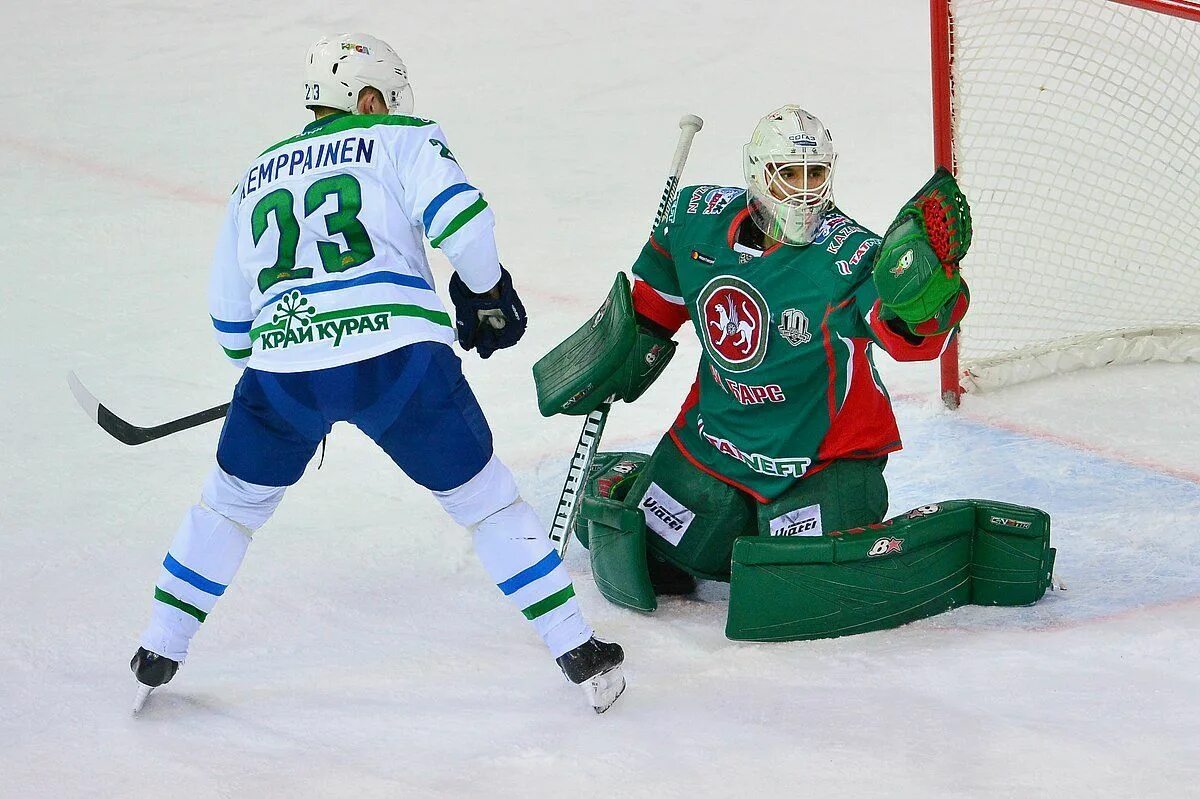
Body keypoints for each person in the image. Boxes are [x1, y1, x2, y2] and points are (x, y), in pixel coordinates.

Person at [130, 33, 624, 714]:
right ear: (366, 99)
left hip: (283, 372)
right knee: (488, 504)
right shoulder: (401, 138)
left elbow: (230, 324)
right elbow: (464, 223)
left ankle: (159, 646)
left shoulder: (254, 176)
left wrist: (285, 371)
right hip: (400, 364)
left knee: (229, 506)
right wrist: (484, 290)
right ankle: (578, 650)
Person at [535, 105, 1052, 639]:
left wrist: (924, 298)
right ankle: (652, 483)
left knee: (800, 574)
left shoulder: (851, 256)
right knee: (664, 558)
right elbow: (657, 299)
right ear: (758, 173)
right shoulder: (694, 218)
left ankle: (829, 509)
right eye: (790, 174)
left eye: (816, 173)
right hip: (716, 439)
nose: (805, 192)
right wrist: (623, 349)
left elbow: (910, 341)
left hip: (823, 455)